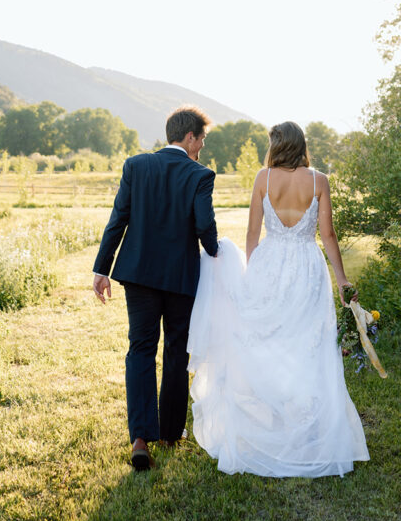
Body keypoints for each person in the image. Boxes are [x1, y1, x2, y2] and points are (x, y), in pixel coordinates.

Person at [187, 120, 369, 477]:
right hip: (307, 267)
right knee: (307, 346)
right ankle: (306, 427)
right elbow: (328, 236)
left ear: (275, 145)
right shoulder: (318, 181)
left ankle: (275, 419)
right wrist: (343, 280)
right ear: (301, 145)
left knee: (269, 341)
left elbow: (252, 234)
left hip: (270, 264)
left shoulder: (263, 179)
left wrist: (252, 276)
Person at [93, 105, 218, 471]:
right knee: (176, 350)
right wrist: (216, 252)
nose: (202, 148)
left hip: (140, 276)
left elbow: (119, 218)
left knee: (141, 349)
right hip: (180, 277)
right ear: (190, 136)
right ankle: (170, 432)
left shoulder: (136, 166)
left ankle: (140, 437)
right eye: (202, 140)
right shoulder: (200, 175)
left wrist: (102, 268)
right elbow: (204, 226)